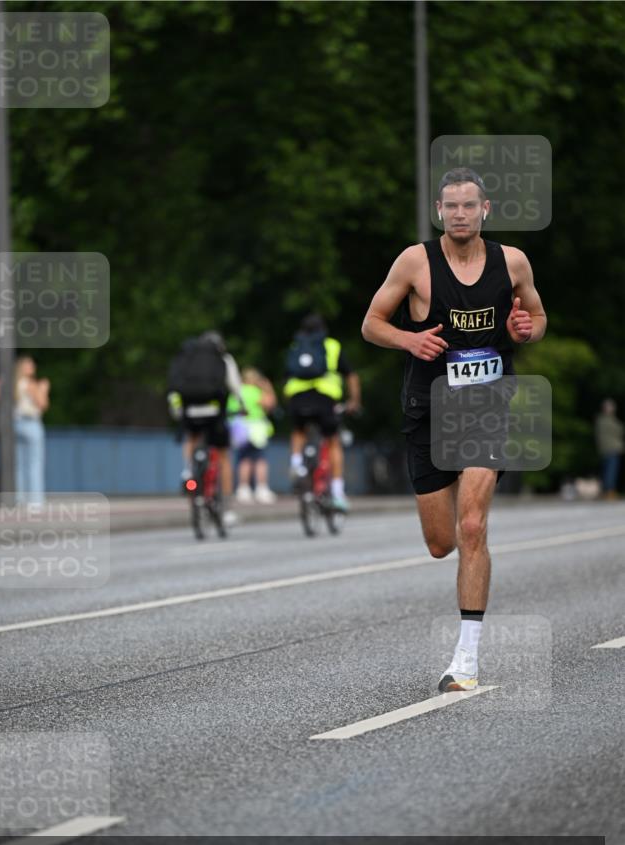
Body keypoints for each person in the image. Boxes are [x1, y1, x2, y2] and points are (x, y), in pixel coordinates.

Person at [362, 166, 547, 692]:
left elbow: (536, 316)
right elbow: (371, 322)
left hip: (488, 407)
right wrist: (409, 341)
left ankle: (464, 661)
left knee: (472, 529)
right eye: (452, 206)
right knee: (442, 542)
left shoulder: (512, 262)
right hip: (428, 409)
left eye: (470, 205)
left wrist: (526, 330)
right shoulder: (415, 262)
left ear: (485, 210)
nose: (460, 214)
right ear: (438, 211)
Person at [283, 313, 361, 512]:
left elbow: (287, 377)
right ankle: (337, 491)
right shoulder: (332, 346)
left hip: (297, 397)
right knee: (333, 441)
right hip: (324, 398)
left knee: (299, 430)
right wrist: (353, 401)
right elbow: (351, 375)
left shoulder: (296, 346)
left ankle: (297, 464)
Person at [167, 330, 245, 519]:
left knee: (192, 438)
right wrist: (242, 406)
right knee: (223, 456)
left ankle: (188, 471)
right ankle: (227, 507)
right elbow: (235, 386)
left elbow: (175, 384)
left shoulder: (189, 357)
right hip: (213, 412)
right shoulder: (223, 358)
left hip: (190, 411)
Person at [229, 367, 278, 504]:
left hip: (240, 430)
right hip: (256, 428)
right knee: (260, 460)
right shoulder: (256, 391)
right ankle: (261, 489)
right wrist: (268, 388)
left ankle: (243, 489)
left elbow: (231, 410)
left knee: (244, 460)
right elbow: (270, 404)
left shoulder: (237, 393)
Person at [13, 356, 50, 504]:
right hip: (31, 424)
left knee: (19, 464)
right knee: (35, 463)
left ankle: (19, 498)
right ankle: (35, 500)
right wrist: (44, 389)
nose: (33, 366)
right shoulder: (30, 384)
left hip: (15, 424)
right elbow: (42, 404)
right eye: (30, 364)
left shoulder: (13, 384)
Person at [595, 398, 623, 499]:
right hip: (612, 448)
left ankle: (607, 491)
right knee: (611, 471)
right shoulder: (607, 421)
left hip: (606, 449)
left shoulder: (601, 420)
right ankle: (609, 491)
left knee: (607, 470)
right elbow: (619, 430)